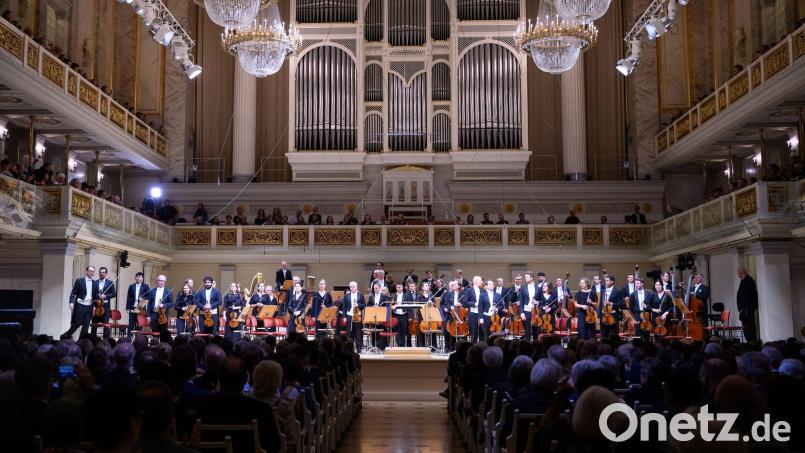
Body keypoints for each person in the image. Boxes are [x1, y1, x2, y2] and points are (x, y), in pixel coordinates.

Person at [64, 266, 96, 338]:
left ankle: (81, 342)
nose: (92, 273)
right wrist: (71, 302)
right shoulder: (79, 281)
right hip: (80, 305)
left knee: (86, 325)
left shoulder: (94, 283)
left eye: (93, 271)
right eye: (91, 271)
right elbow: (73, 293)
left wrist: (95, 305)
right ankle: (65, 336)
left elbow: (95, 296)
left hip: (89, 307)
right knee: (77, 324)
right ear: (86, 271)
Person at [90, 267, 117, 338]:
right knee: (94, 324)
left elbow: (114, 294)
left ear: (106, 273)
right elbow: (92, 293)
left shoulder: (110, 282)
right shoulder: (94, 282)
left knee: (106, 324)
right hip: (96, 306)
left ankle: (106, 341)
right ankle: (93, 340)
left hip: (105, 306)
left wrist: (105, 296)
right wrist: (97, 295)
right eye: (100, 272)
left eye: (103, 272)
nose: (101, 274)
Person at [463, 276, 489, 343]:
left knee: (482, 333)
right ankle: (473, 350)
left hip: (482, 315)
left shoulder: (483, 291)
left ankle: (482, 349)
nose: (482, 282)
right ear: (475, 281)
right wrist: (475, 304)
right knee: (473, 333)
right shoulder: (468, 290)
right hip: (473, 314)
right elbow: (464, 303)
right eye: (481, 280)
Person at [341, 282, 365, 352]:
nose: (352, 288)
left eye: (354, 287)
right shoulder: (346, 296)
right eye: (351, 287)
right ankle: (349, 349)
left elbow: (364, 305)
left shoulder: (360, 295)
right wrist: (344, 317)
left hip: (358, 316)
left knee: (358, 333)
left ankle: (359, 349)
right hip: (349, 315)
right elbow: (344, 307)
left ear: (357, 287)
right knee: (349, 333)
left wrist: (358, 305)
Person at [737, 267, 758, 341]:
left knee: (750, 326)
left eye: (738, 272)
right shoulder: (743, 281)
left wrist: (746, 308)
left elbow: (751, 296)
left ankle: (752, 341)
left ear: (742, 272)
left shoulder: (749, 281)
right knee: (745, 327)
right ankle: (749, 341)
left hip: (748, 309)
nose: (738, 274)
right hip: (744, 309)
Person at [125, 272, 150, 338]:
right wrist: (127, 308)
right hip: (132, 307)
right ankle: (129, 338)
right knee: (131, 324)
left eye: (140, 277)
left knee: (139, 324)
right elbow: (128, 297)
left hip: (140, 307)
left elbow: (149, 297)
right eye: (137, 277)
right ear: (135, 278)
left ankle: (138, 338)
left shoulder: (146, 286)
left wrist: (143, 298)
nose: (138, 278)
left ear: (142, 278)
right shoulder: (131, 286)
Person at [519, 271, 538, 341]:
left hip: (535, 312)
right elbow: (521, 302)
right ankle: (527, 348)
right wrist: (521, 313)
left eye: (527, 277)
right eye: (525, 277)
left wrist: (537, 302)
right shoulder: (523, 288)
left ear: (532, 278)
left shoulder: (538, 288)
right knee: (527, 332)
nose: (525, 279)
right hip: (526, 311)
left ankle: (536, 348)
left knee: (536, 332)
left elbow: (541, 300)